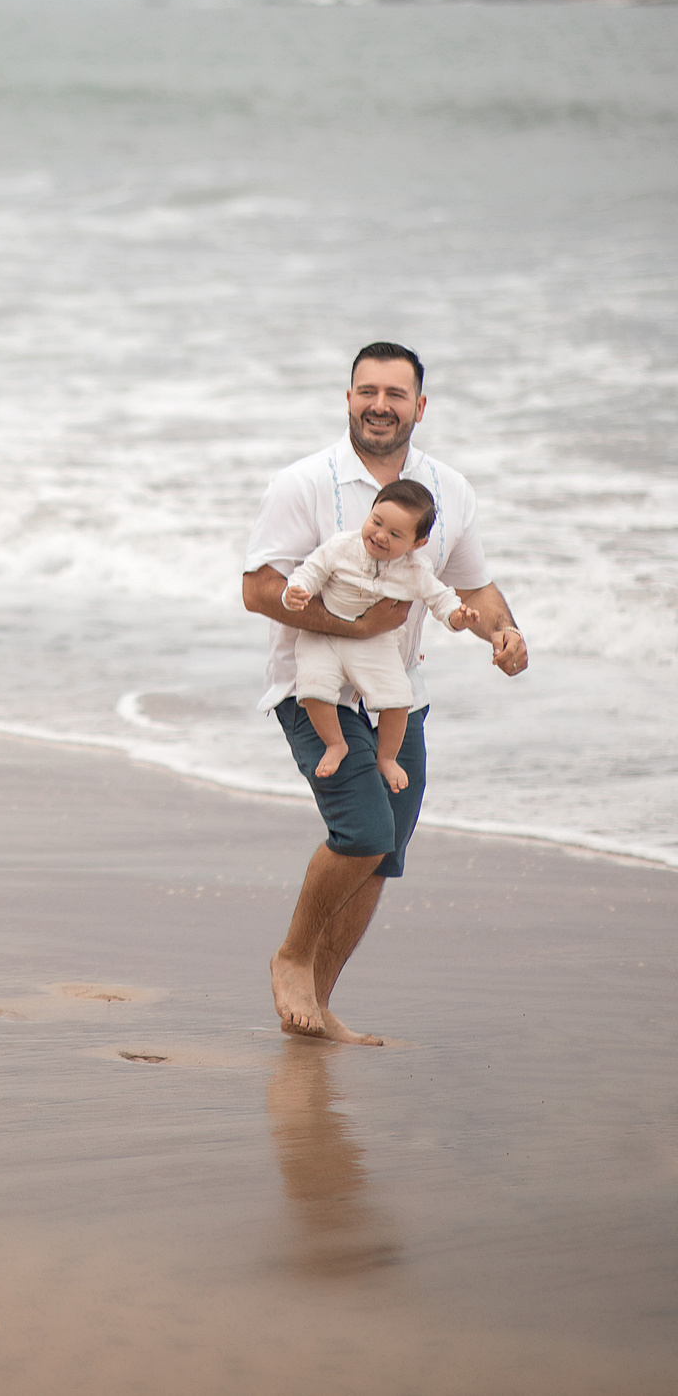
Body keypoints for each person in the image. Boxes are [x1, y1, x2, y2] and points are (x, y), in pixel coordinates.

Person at [242, 343, 529, 1046]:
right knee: (364, 832)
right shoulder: (303, 483)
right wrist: (354, 625)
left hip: (398, 692)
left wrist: (504, 631)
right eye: (366, 390)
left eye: (395, 394)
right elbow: (258, 588)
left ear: (419, 406)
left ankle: (316, 1006)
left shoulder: (448, 490)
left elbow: (471, 586)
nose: (380, 404)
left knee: (381, 853)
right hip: (316, 688)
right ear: (348, 398)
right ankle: (291, 958)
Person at [279, 477, 477, 794]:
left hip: (376, 643)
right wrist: (296, 591)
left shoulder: (415, 569)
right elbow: (310, 570)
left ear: (417, 543)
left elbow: (441, 598)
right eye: (376, 522)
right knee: (312, 688)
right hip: (324, 636)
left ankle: (387, 757)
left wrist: (457, 616)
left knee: (398, 699)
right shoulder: (341, 546)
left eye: (395, 534)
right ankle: (335, 743)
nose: (380, 535)